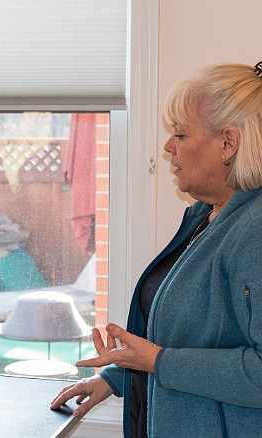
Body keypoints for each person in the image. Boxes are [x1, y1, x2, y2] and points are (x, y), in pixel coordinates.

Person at [51, 61, 262, 437]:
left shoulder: (254, 230)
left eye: (180, 135)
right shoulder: (205, 216)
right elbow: (197, 339)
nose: (167, 147)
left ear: (228, 144)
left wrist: (156, 361)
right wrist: (119, 374)